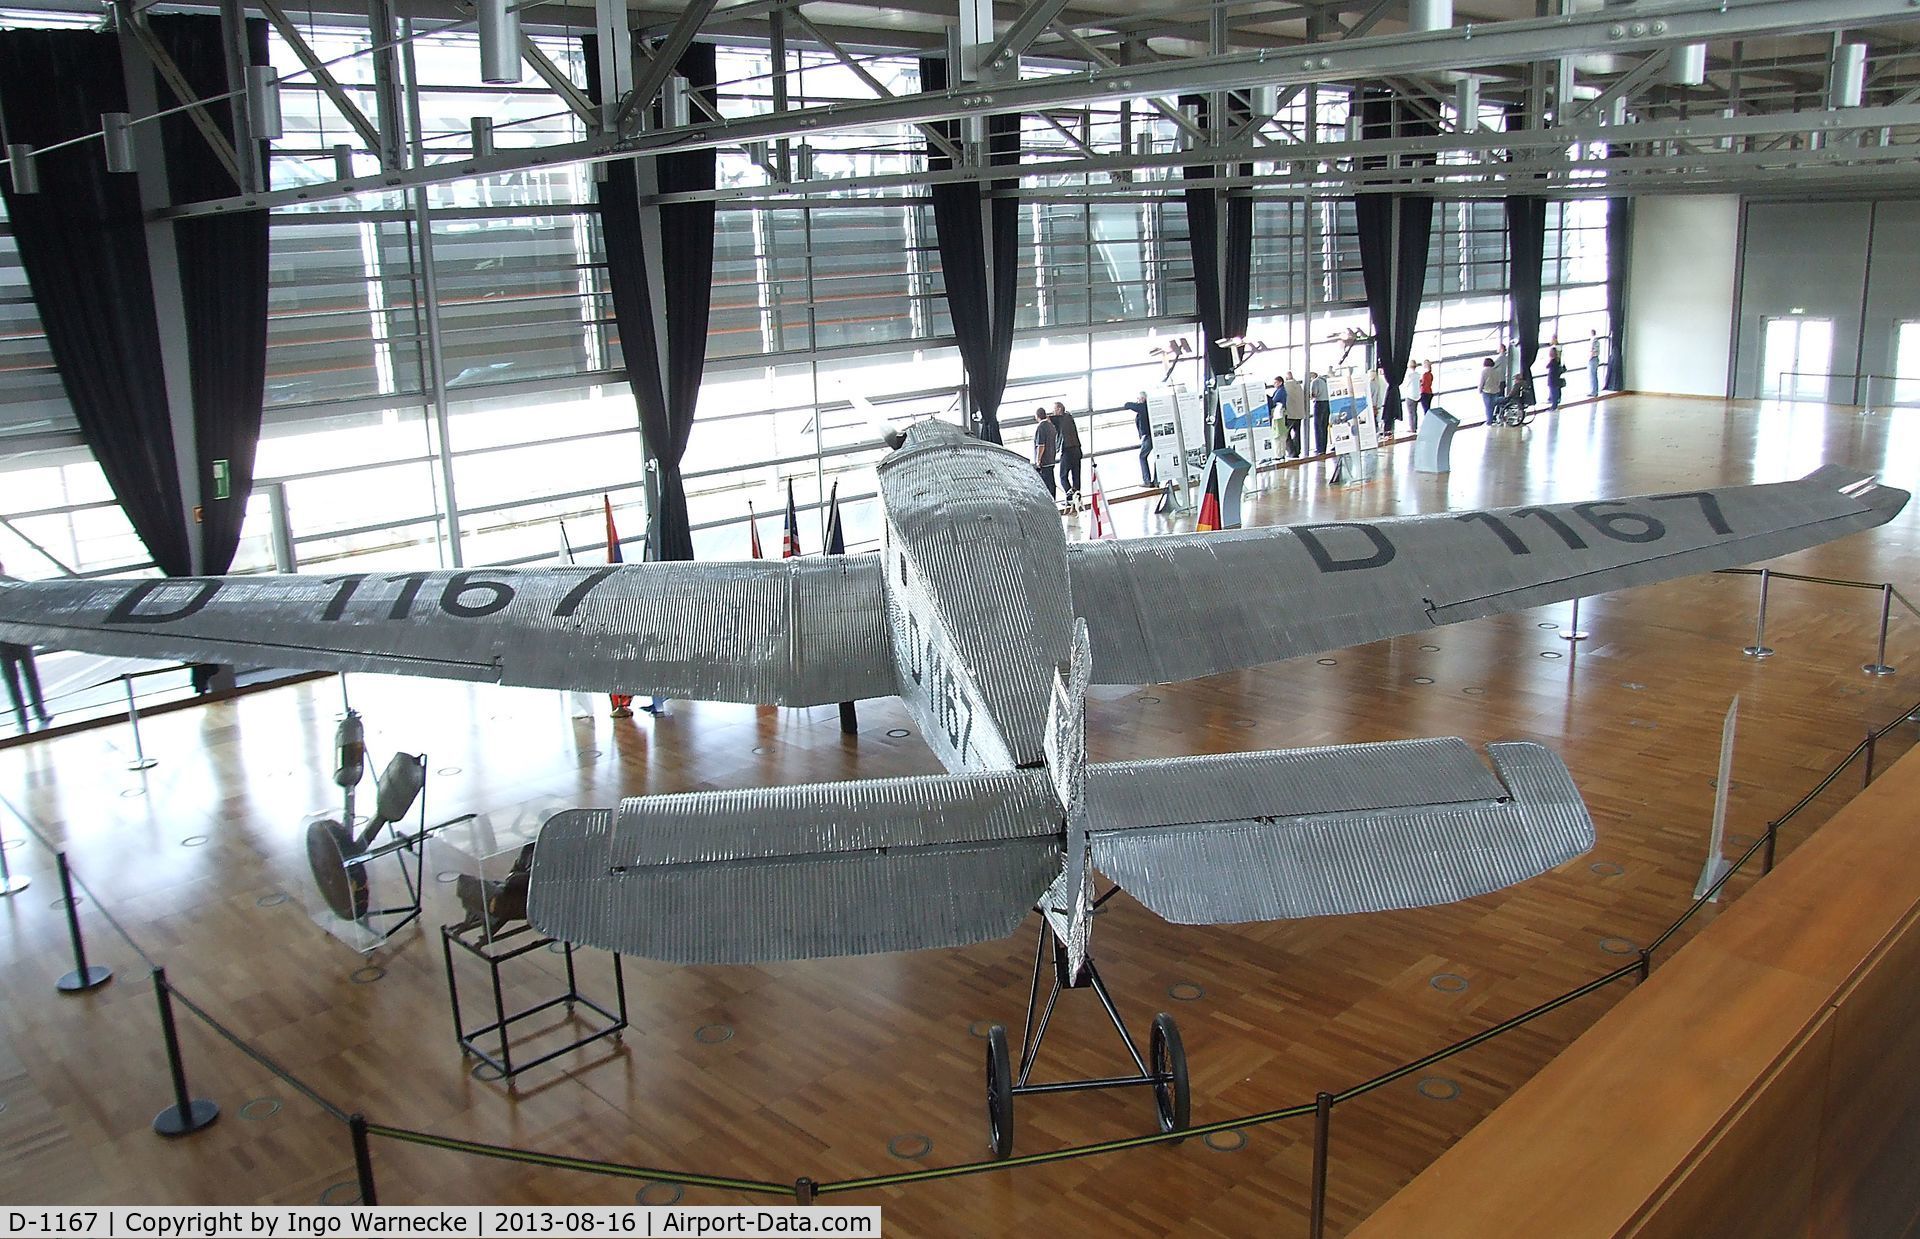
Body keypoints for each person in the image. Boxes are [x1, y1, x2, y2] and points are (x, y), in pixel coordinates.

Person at [1050, 401, 1083, 503]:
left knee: (1063, 476)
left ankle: (1070, 497)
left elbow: (1047, 419)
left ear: (1059, 409)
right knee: (1076, 475)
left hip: (1068, 450)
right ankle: (1077, 497)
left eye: (1054, 409)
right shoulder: (1069, 417)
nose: (1053, 412)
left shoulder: (1060, 419)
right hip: (1077, 449)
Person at [1125, 391, 1153, 485]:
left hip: (1148, 436)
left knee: (1142, 457)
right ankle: (1156, 481)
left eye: (1139, 399)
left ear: (1143, 399)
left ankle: (1147, 481)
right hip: (1151, 435)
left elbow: (1127, 405)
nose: (1138, 401)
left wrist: (1136, 403)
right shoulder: (1148, 407)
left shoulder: (1143, 407)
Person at [1031, 407, 1057, 497]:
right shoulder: (1051, 426)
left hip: (1044, 461)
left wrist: (1038, 461)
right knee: (1051, 483)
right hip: (1051, 459)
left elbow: (1041, 445)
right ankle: (1054, 501)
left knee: (1045, 485)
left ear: (1037, 416)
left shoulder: (1041, 427)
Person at [1283, 371, 1306, 458]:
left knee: (1286, 434)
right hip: (1299, 413)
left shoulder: (1286, 386)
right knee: (1297, 433)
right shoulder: (1298, 385)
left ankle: (1291, 452)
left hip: (1290, 414)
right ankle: (1297, 450)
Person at [1309, 370, 1332, 455]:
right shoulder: (1326, 381)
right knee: (1324, 426)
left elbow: (1314, 394)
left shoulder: (1315, 381)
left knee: (1318, 426)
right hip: (1327, 404)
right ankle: (1324, 448)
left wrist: (1310, 396)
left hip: (1319, 403)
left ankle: (1319, 449)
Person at [1478, 357, 1502, 423]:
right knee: (1492, 406)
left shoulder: (1484, 371)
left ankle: (1489, 421)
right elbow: (1498, 382)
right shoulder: (1496, 371)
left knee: (1488, 407)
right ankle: (1491, 419)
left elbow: (1482, 382)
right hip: (1496, 391)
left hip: (1487, 391)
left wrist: (1479, 390)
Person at [1369, 366, 1390, 436]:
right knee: (1375, 418)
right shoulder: (1377, 383)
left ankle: (1375, 431)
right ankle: (1377, 430)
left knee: (1373, 419)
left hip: (1372, 404)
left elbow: (1372, 395)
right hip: (1375, 404)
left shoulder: (1370, 384)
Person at [1547, 346, 1566, 410]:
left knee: (1553, 393)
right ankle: (1555, 404)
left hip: (1552, 380)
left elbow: (1547, 366)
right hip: (1556, 379)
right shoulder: (1557, 361)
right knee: (1555, 392)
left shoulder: (1552, 362)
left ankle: (1554, 406)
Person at [1589, 328, 1603, 398]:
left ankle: (1593, 391)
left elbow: (1592, 350)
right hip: (1596, 358)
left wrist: (1589, 358)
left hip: (1593, 359)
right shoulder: (1597, 341)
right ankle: (1595, 391)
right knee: (1594, 375)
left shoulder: (1593, 341)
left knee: (1592, 376)